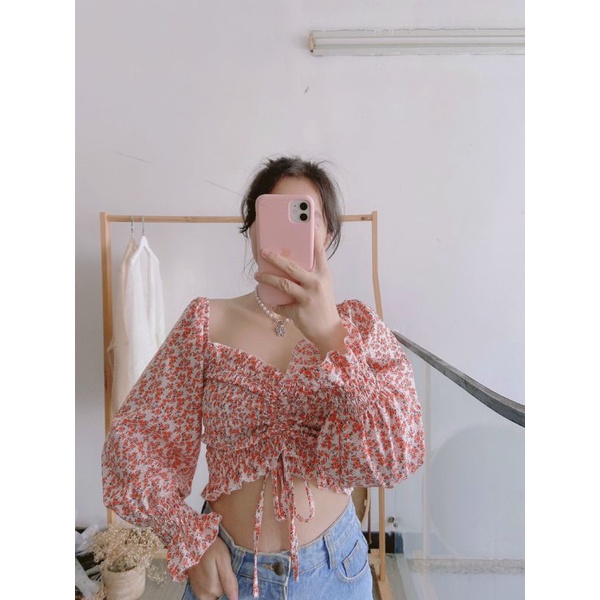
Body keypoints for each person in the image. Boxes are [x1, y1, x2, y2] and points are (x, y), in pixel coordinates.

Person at [102, 156, 425, 600]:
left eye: (305, 214)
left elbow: (398, 455)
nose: (287, 227)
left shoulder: (359, 329)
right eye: (271, 213)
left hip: (336, 573)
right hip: (226, 574)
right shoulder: (205, 322)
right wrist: (188, 541)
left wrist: (332, 337)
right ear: (252, 229)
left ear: (327, 234)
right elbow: (136, 441)